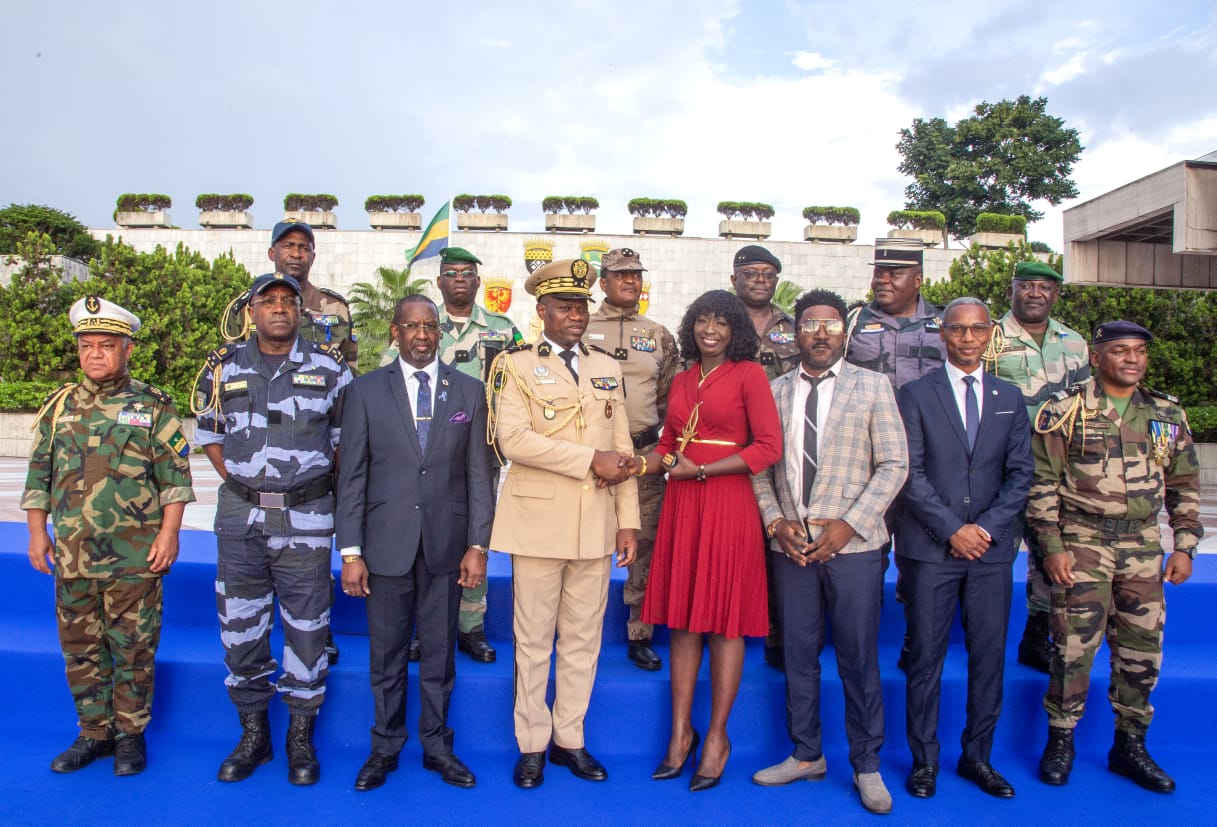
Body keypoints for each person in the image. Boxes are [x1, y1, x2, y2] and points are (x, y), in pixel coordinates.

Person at [750, 289, 908, 815]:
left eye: (832, 325)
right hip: (793, 549)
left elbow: (894, 464)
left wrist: (850, 525)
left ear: (845, 332)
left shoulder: (873, 386)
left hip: (854, 547)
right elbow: (760, 468)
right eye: (810, 325)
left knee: (858, 659)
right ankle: (806, 754)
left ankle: (866, 764)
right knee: (798, 655)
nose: (821, 334)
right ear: (795, 333)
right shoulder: (774, 391)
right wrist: (775, 523)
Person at [23, 296, 195, 777]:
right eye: (87, 345)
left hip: (135, 556)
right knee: (80, 648)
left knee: (134, 648)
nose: (95, 354)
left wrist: (170, 534)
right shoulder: (58, 408)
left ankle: (130, 735)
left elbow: (175, 479)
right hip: (73, 556)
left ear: (127, 349)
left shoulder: (152, 405)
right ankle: (93, 732)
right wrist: (37, 533)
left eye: (107, 345)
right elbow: (38, 477)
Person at [486, 258, 640, 790]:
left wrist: (628, 521)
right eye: (565, 306)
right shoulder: (515, 365)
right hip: (537, 524)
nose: (576, 315)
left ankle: (569, 739)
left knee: (582, 640)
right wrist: (588, 460)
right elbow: (513, 440)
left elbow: (622, 448)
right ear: (542, 310)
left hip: (595, 524)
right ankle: (531, 743)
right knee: (532, 642)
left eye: (581, 306)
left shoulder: (606, 366)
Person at [194, 272, 352, 786]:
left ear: (300, 311)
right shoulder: (222, 368)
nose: (279, 308)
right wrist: (248, 485)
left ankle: (300, 737)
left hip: (306, 520)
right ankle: (254, 735)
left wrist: (295, 489)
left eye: (288, 300)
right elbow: (210, 435)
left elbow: (345, 444)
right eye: (269, 300)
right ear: (252, 311)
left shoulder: (331, 369)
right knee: (240, 627)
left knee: (308, 629)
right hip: (240, 520)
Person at [1030, 320, 1200, 794]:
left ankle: (1130, 744)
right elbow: (1041, 485)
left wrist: (1185, 546)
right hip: (1082, 543)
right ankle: (1061, 739)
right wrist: (1052, 547)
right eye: (1121, 350)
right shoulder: (1065, 410)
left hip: (1143, 547)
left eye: (1140, 351)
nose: (1132, 359)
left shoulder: (1165, 413)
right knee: (1072, 647)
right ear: (1096, 356)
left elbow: (1184, 485)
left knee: (1142, 649)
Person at [336, 294, 494, 791]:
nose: (422, 335)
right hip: (385, 546)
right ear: (395, 332)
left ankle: (437, 747)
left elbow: (480, 476)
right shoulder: (364, 391)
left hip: (447, 547)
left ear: (438, 332)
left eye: (430, 326)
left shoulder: (468, 391)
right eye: (412, 326)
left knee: (440, 656)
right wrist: (351, 552)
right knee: (386, 657)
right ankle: (384, 747)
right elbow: (351, 477)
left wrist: (478, 545)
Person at [633, 289, 782, 792]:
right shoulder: (682, 378)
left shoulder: (750, 375)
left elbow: (768, 447)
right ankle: (680, 734)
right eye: (702, 321)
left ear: (735, 328)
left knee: (723, 622)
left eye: (720, 322)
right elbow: (669, 445)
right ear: (691, 326)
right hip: (684, 504)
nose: (710, 330)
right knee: (682, 621)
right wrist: (639, 465)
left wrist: (702, 470)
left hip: (727, 500)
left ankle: (717, 737)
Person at [895, 297, 1034, 801]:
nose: (968, 339)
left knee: (988, 658)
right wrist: (953, 529)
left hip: (990, 554)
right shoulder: (914, 394)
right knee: (925, 660)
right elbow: (909, 472)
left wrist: (985, 531)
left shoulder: (1010, 396)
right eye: (958, 329)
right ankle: (925, 761)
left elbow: (1021, 474)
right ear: (943, 334)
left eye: (977, 330)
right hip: (932, 550)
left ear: (989, 333)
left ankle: (978, 757)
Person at [845, 237, 948, 673]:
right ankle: (859, 638)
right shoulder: (854, 321)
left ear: (918, 279)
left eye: (894, 274)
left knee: (922, 557)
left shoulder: (944, 323)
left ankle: (915, 637)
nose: (882, 280)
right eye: (878, 272)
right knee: (866, 553)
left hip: (927, 461)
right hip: (867, 460)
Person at [987, 260, 1090, 673]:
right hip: (1002, 468)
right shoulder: (990, 337)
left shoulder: (1074, 342)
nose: (1034, 293)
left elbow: (1084, 406)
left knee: (1052, 554)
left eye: (1043, 287)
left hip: (1057, 470)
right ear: (1012, 290)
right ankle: (986, 638)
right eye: (1026, 285)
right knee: (995, 554)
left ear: (1055, 294)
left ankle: (1036, 636)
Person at [585, 247, 679, 671]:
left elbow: (667, 398)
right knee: (585, 540)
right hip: (590, 454)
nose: (630, 281)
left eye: (636, 275)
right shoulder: (582, 327)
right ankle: (580, 628)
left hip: (641, 455)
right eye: (620, 275)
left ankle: (640, 632)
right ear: (603, 282)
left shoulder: (658, 335)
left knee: (644, 544)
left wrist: (650, 445)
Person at [269, 217, 355, 667]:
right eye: (288, 246)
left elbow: (349, 375)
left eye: (304, 246)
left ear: (313, 255)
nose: (296, 253)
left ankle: (320, 628)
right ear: (273, 254)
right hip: (268, 439)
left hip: (320, 443)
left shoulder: (334, 307)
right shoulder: (254, 301)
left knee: (316, 544)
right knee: (267, 544)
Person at [433, 246, 521, 664]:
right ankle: (429, 624)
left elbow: (525, 381)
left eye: (467, 273)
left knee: (477, 532)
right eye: (451, 273)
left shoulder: (502, 329)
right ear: (439, 282)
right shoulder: (422, 321)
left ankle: (471, 625)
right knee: (428, 532)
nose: (459, 280)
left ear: (478, 282)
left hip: (482, 448)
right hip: (429, 450)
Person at [728, 244, 796, 670]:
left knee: (777, 541)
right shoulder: (716, 319)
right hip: (728, 451)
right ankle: (724, 624)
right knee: (730, 542)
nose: (759, 280)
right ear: (733, 278)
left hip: (779, 450)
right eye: (751, 273)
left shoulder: (792, 325)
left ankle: (777, 631)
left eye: (768, 274)